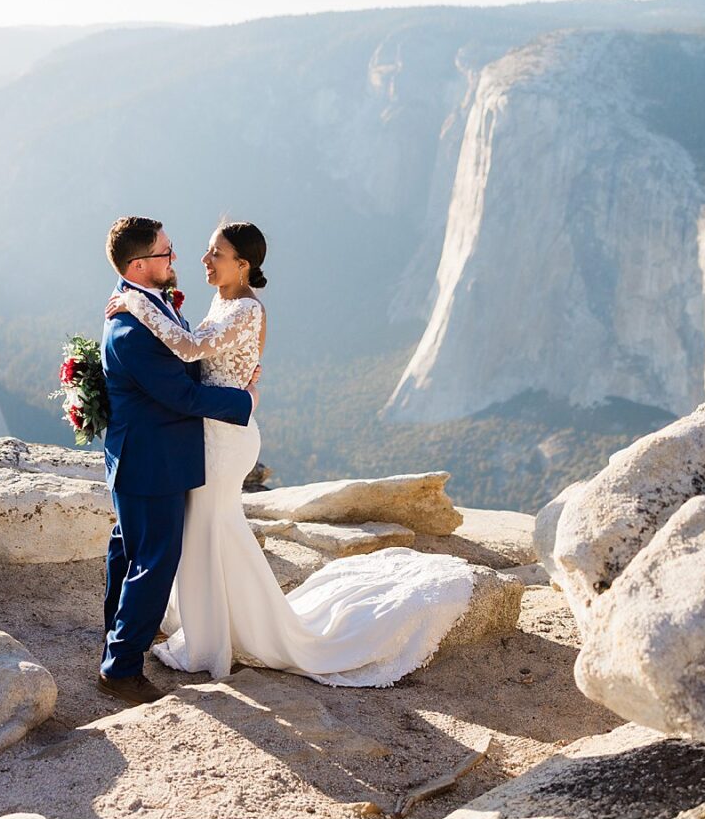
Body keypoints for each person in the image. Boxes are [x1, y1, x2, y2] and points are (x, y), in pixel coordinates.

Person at [105, 220, 477, 687]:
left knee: (214, 529)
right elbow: (195, 365)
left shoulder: (243, 310)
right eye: (195, 251)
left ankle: (234, 635)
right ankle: (206, 631)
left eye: (214, 254)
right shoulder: (222, 299)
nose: (199, 260)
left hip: (224, 437)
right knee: (202, 534)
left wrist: (137, 303)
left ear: (242, 265)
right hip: (205, 433)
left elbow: (191, 349)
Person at [97, 216, 257, 706]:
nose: (177, 260)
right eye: (167, 254)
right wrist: (242, 402)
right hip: (152, 461)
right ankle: (121, 668)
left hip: (143, 456)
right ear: (140, 265)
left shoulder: (142, 306)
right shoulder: (131, 328)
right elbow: (182, 396)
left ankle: (119, 639)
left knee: (128, 548)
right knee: (155, 558)